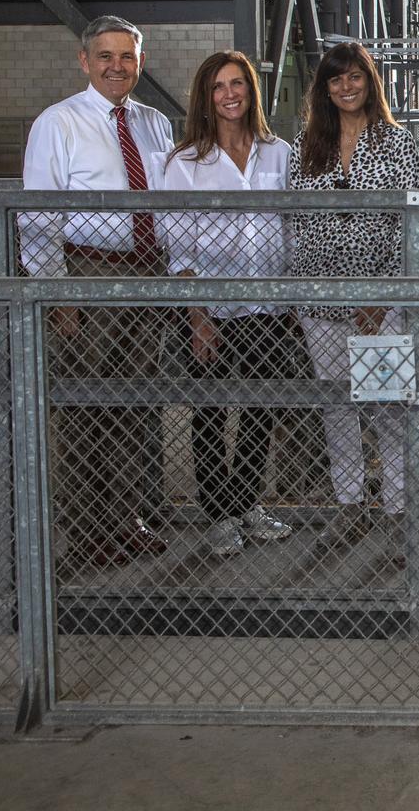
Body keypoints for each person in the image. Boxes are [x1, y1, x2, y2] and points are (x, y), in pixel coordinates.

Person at [21, 15, 173, 568]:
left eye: (127, 56)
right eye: (105, 56)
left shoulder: (155, 123)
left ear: (141, 62)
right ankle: (87, 530)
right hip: (86, 275)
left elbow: (170, 200)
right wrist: (56, 291)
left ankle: (125, 519)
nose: (116, 66)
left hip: (147, 275)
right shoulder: (58, 123)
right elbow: (38, 216)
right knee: (84, 407)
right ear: (85, 61)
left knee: (134, 406)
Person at [159, 50, 299, 558]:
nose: (229, 94)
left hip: (268, 306)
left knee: (261, 408)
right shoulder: (186, 163)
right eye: (218, 86)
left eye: (237, 83)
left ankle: (245, 505)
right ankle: (218, 515)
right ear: (206, 96)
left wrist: (290, 299)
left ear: (250, 91)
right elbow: (179, 247)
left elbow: (291, 229)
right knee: (211, 410)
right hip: (211, 309)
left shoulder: (279, 153)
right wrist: (198, 318)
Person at [286, 41, 419, 555]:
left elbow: (408, 225)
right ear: (324, 88)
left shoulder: (396, 143)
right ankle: (349, 504)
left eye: (355, 77)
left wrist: (380, 296)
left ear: (370, 81)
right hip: (320, 299)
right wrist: (306, 290)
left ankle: (399, 509)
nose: (346, 87)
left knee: (389, 405)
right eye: (335, 79)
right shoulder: (306, 145)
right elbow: (297, 220)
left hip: (380, 303)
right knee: (336, 405)